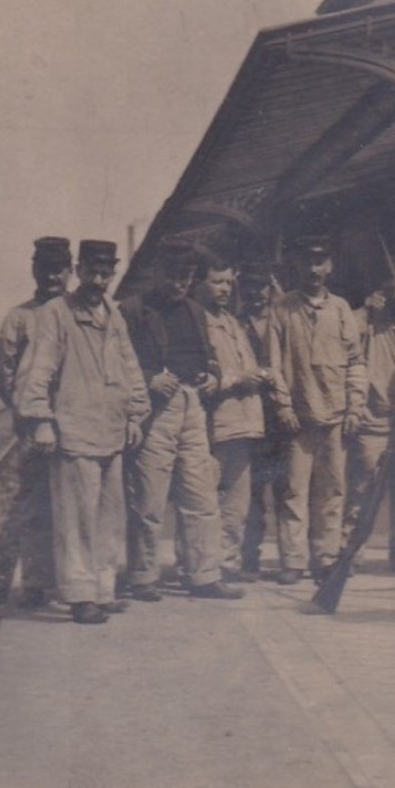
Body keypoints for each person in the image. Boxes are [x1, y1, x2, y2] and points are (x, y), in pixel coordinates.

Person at [13, 239, 149, 625]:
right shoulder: (55, 314)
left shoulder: (114, 315)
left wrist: (136, 415)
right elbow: (37, 370)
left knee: (108, 518)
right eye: (91, 271)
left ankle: (102, 591)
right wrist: (40, 420)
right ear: (79, 270)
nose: (98, 280)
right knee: (76, 520)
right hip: (73, 432)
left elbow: (130, 370)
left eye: (106, 273)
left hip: (111, 431)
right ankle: (79, 594)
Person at [119, 248, 244, 602]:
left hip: (193, 407)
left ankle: (203, 574)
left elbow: (212, 359)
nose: (179, 284)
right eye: (173, 276)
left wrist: (213, 377)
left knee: (200, 492)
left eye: (186, 278)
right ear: (158, 271)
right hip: (156, 410)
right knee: (149, 496)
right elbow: (113, 364)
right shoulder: (132, 310)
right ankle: (143, 576)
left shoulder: (195, 311)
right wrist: (147, 380)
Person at [0, 235, 72, 606]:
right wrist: (25, 411)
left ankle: (74, 581)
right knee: (37, 504)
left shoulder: (80, 313)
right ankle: (36, 580)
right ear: (34, 270)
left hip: (78, 422)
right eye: (45, 269)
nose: (52, 277)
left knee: (79, 503)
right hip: (36, 427)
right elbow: (1, 372)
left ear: (70, 271)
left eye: (58, 269)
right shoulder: (19, 318)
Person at [265, 240, 367, 585]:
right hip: (298, 418)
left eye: (320, 262)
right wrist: (283, 404)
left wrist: (355, 406)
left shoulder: (341, 310)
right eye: (307, 262)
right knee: (294, 490)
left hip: (336, 417)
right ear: (297, 265)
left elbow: (355, 361)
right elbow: (274, 365)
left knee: (333, 490)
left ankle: (325, 556)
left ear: (329, 267)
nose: (313, 270)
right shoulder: (282, 309)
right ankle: (293, 560)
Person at [197, 254, 274, 584]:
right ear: (202, 283)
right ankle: (202, 564)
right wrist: (240, 378)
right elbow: (205, 375)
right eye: (217, 282)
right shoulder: (198, 321)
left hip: (245, 423)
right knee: (208, 499)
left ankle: (228, 562)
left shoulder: (232, 322)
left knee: (238, 503)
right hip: (216, 423)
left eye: (228, 282)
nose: (224, 289)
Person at [347, 251, 395, 571]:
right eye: (388, 288)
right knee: (363, 489)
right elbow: (344, 335)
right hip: (373, 418)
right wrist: (365, 311)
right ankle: (351, 551)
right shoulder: (366, 321)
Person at [237, 263, 282, 576]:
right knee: (250, 491)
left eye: (261, 286)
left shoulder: (280, 321)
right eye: (249, 287)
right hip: (247, 414)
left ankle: (291, 559)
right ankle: (248, 556)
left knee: (285, 487)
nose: (256, 293)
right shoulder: (235, 322)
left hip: (279, 416)